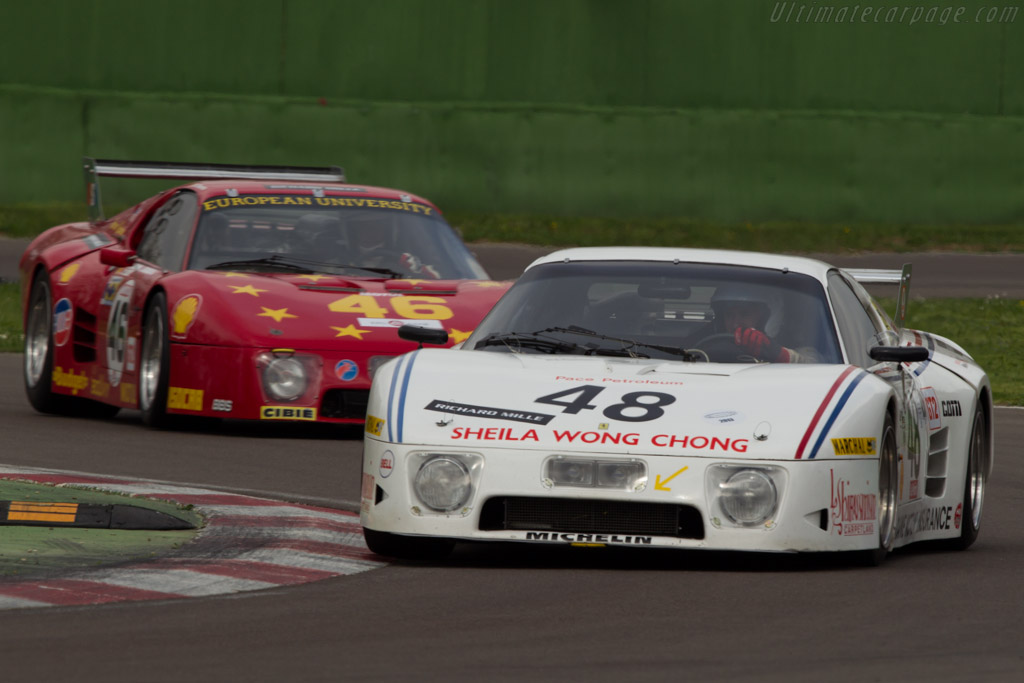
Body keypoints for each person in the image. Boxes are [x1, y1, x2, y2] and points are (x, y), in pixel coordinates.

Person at [709, 285, 815, 363]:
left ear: (765, 317)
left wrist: (776, 353)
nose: (735, 324)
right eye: (729, 315)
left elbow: (817, 365)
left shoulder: (790, 342)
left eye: (745, 314)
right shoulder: (706, 344)